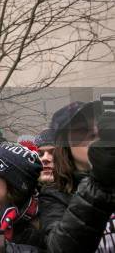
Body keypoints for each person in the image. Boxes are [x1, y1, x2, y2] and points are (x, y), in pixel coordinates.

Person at [39, 101, 115, 252]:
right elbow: (59, 248)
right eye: (82, 129)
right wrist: (98, 184)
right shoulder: (54, 195)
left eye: (98, 126)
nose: (94, 132)